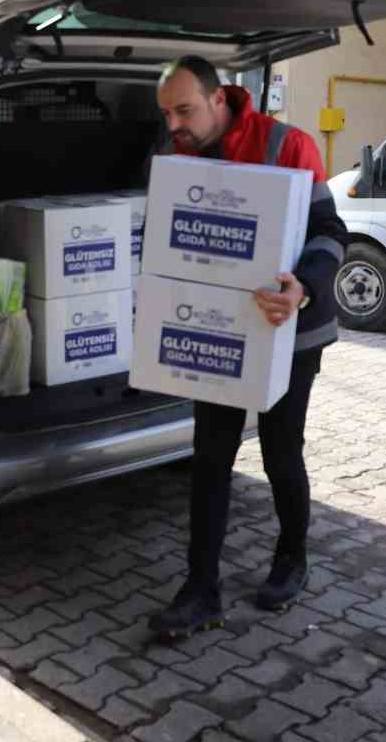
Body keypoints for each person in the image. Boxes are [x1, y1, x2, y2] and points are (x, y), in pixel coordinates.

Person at [147, 56, 347, 640]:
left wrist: (302, 287)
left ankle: (291, 559)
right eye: (166, 113)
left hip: (291, 327)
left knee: (281, 450)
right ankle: (200, 590)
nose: (175, 124)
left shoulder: (286, 144)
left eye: (184, 110)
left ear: (218, 100)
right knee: (210, 457)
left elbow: (331, 234)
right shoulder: (172, 157)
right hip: (218, 331)